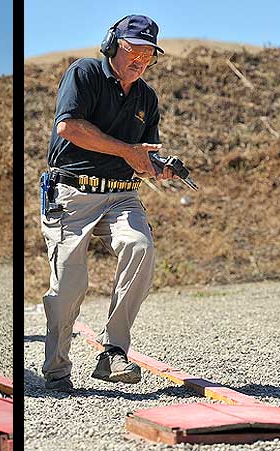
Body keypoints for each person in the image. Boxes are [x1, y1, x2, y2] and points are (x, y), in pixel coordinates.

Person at [41, 14, 175, 392]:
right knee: (68, 282)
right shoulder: (83, 73)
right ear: (113, 44)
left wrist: (156, 170)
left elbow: (141, 158)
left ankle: (113, 351)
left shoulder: (147, 98)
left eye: (148, 54)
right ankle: (56, 368)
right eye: (134, 50)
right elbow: (68, 126)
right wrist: (127, 151)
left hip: (121, 194)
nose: (140, 60)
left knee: (140, 246)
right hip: (73, 192)